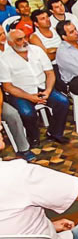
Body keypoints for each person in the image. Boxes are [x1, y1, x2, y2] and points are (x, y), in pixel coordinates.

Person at [1, 28, 70, 146]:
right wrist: (29, 97)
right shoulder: (4, 59)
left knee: (63, 102)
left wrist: (48, 91)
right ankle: (33, 137)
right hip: (21, 93)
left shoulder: (36, 50)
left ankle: (55, 133)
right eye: (19, 40)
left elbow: (50, 73)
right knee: (27, 113)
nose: (24, 41)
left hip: (42, 87)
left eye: (25, 37)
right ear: (11, 43)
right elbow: (8, 87)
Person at [0, 26, 34, 160]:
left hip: (8, 91)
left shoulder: (12, 48)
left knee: (12, 114)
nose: (2, 36)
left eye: (3, 33)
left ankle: (23, 149)